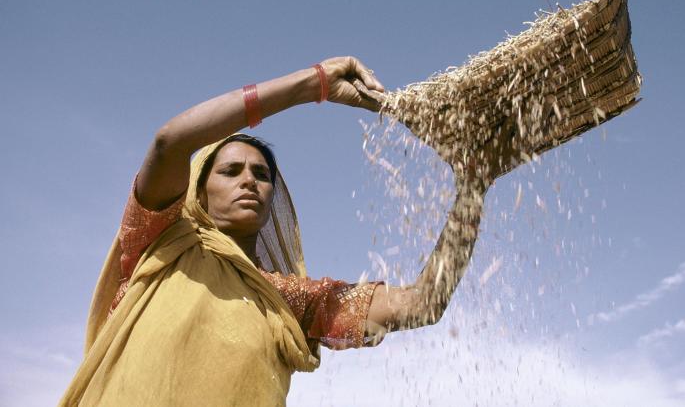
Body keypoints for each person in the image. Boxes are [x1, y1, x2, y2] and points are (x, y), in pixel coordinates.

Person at [60, 56, 487, 406]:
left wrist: (473, 185)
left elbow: (424, 304)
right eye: (230, 171)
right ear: (199, 191)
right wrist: (313, 85)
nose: (250, 181)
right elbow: (169, 142)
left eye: (262, 175)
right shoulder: (162, 243)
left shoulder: (287, 300)